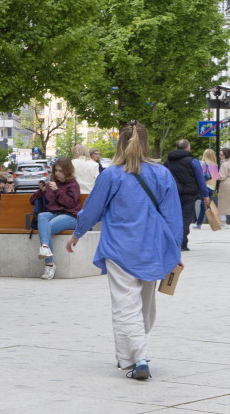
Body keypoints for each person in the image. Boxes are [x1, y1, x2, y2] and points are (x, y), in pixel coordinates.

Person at [68, 122, 184, 381]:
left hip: (119, 248)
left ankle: (137, 357)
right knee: (145, 305)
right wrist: (175, 252)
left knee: (125, 304)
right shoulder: (162, 174)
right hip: (152, 247)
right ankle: (134, 354)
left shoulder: (111, 175)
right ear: (146, 142)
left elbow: (93, 208)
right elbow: (173, 217)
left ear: (120, 143)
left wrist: (78, 233)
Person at [34, 157, 81, 280]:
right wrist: (42, 191)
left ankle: (49, 264)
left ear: (67, 171)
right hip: (53, 214)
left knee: (47, 228)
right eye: (56, 171)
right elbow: (32, 200)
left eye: (60, 171)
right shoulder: (52, 183)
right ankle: (45, 249)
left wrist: (57, 191)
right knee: (42, 216)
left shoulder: (73, 184)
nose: (57, 173)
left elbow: (70, 204)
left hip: (70, 215)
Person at [163, 139, 209, 250]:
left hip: (173, 193)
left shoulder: (168, 162)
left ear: (176, 148)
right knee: (186, 218)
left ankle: (174, 242)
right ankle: (182, 243)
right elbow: (200, 179)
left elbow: (164, 178)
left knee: (174, 217)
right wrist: (205, 195)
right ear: (188, 148)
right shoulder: (193, 161)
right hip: (190, 194)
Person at [199, 148, 220, 227]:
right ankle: (214, 222)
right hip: (212, 188)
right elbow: (216, 177)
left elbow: (200, 175)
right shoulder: (215, 165)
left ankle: (199, 223)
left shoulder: (202, 163)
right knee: (206, 205)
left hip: (204, 187)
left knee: (203, 205)